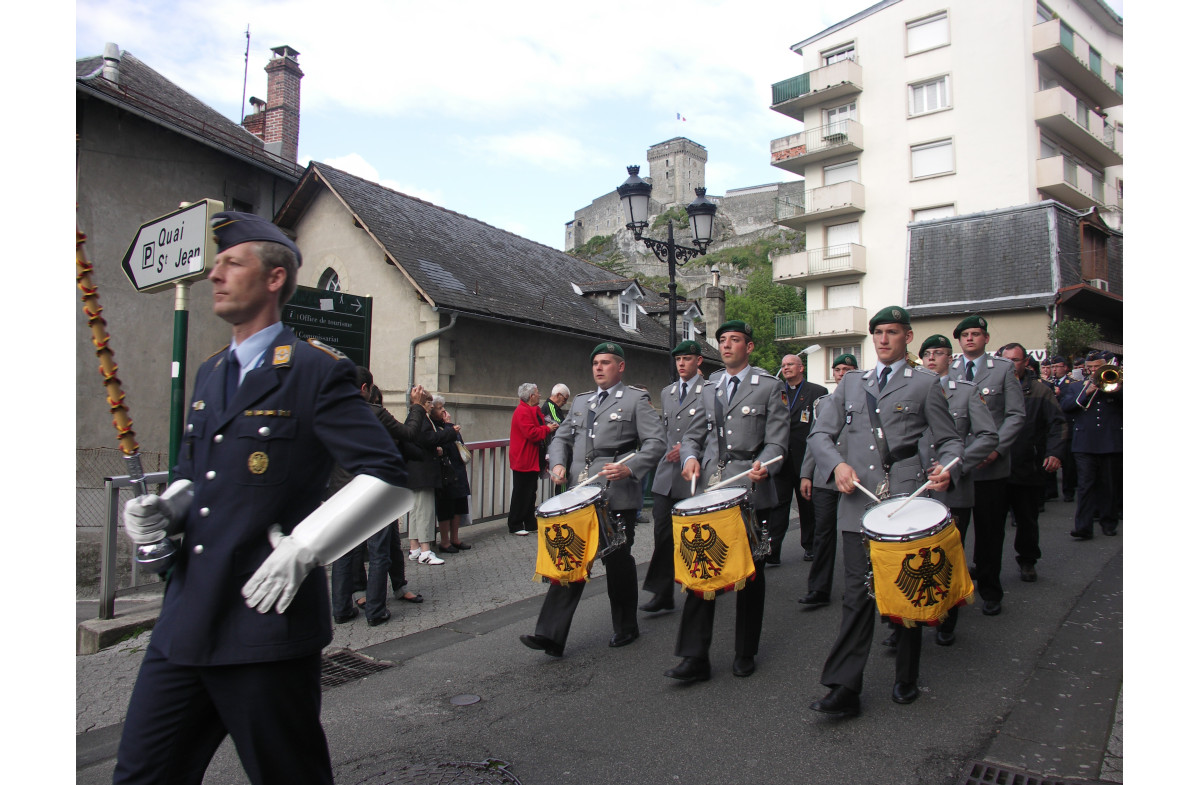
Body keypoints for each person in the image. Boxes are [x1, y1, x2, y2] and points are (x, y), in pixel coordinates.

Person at [115, 212, 410, 784]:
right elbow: (195, 476)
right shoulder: (210, 373)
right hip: (186, 620)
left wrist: (306, 547)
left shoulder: (314, 371)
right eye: (217, 264)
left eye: (232, 263)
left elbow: (386, 475)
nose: (215, 274)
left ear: (274, 279)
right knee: (140, 776)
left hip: (265, 624)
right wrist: (167, 509)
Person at [807, 307, 962, 716]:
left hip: (905, 501)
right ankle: (844, 687)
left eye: (892, 332)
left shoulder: (925, 383)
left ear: (907, 337)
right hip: (858, 500)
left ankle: (906, 674)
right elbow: (820, 433)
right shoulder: (851, 383)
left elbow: (950, 440)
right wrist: (836, 465)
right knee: (856, 595)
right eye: (877, 332)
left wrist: (946, 468)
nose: (883, 339)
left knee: (906, 592)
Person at [520, 342, 665, 656]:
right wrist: (558, 464)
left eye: (606, 362)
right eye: (595, 363)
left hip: (616, 493)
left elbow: (656, 443)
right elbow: (561, 437)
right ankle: (550, 635)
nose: (599, 368)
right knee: (569, 558)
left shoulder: (635, 399)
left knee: (617, 561)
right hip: (580, 493)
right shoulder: (582, 401)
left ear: (620, 366)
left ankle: (626, 626)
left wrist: (630, 467)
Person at [665, 320, 788, 682]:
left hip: (750, 488)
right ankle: (694, 657)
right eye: (722, 340)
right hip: (712, 489)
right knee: (701, 568)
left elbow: (777, 441)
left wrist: (765, 464)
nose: (727, 345)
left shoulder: (769, 386)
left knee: (749, 574)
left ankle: (745, 651)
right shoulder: (709, 387)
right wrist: (689, 457)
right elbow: (694, 435)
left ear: (749, 347)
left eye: (735, 340)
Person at [907, 334, 997, 647]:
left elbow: (988, 436)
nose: (932, 358)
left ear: (951, 358)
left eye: (939, 353)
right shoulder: (909, 390)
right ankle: (905, 622)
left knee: (946, 557)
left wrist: (954, 466)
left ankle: (946, 618)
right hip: (915, 486)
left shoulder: (967, 392)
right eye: (927, 354)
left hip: (952, 487)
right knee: (910, 555)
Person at [330, 369, 424, 626]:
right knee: (378, 551)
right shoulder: (375, 413)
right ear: (364, 388)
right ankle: (375, 610)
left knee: (344, 551)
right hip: (372, 491)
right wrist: (416, 407)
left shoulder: (333, 414)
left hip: (342, 491)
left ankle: (341, 609)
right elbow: (409, 434)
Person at [949, 315, 1025, 617]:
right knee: (953, 535)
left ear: (986, 339)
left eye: (976, 334)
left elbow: (1015, 415)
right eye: (965, 334)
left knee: (990, 533)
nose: (970, 338)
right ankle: (952, 595)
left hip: (990, 467)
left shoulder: (1003, 370)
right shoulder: (949, 369)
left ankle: (991, 590)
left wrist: (995, 449)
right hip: (958, 468)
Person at [641, 340, 708, 613]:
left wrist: (691, 450)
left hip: (693, 474)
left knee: (694, 535)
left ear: (698, 361)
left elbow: (715, 432)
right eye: (678, 359)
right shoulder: (667, 392)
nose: (681, 364)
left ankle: (700, 585)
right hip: (667, 474)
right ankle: (662, 593)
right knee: (662, 534)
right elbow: (665, 430)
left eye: (687, 359)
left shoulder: (709, 391)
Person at [997, 343, 1066, 582]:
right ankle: (987, 565)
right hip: (995, 466)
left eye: (1015, 360)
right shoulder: (990, 388)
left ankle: (1027, 560)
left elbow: (1058, 424)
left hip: (1028, 465)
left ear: (1026, 362)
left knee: (1027, 519)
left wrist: (1054, 453)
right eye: (1005, 360)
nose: (1009, 365)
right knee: (991, 523)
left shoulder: (1040, 391)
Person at [797, 353, 857, 607]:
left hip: (854, 477)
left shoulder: (865, 400)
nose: (841, 374)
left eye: (847, 370)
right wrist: (806, 474)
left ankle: (857, 588)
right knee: (823, 533)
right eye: (838, 369)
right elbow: (815, 440)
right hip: (825, 477)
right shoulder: (822, 403)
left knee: (856, 535)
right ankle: (818, 589)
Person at [768, 353, 828, 565]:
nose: (786, 368)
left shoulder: (817, 392)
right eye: (783, 365)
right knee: (778, 506)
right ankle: (772, 550)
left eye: (790, 364)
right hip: (782, 459)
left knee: (806, 505)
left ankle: (810, 546)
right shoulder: (776, 392)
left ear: (801, 368)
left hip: (805, 458)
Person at [1061, 350, 1123, 538]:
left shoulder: (1116, 384)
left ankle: (1108, 522)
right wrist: (1086, 393)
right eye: (1091, 367)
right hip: (1085, 444)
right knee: (1085, 486)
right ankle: (1083, 526)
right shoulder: (1076, 386)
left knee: (1108, 485)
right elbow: (1066, 407)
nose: (1094, 370)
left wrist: (1116, 389)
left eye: (1098, 367)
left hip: (1109, 443)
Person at [405, 390, 458, 564]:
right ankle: (425, 550)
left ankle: (414, 547)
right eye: (428, 403)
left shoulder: (413, 417)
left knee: (416, 511)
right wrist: (450, 431)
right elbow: (429, 438)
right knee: (425, 511)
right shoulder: (421, 418)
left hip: (416, 471)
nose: (430, 406)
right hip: (423, 471)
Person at [508, 383, 557, 535]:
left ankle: (529, 522)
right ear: (531, 396)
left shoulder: (532, 410)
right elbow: (531, 433)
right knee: (521, 492)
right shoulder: (522, 411)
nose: (539, 395)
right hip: (524, 458)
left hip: (531, 457)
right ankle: (515, 524)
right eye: (537, 393)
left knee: (530, 491)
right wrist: (547, 429)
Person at [431, 395, 472, 553]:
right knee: (446, 507)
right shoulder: (434, 426)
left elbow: (458, 442)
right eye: (439, 408)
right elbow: (444, 444)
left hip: (457, 469)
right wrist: (449, 427)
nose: (443, 411)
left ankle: (455, 538)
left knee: (458, 505)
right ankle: (445, 541)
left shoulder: (448, 426)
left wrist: (450, 426)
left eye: (443, 407)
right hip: (445, 471)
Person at [541, 384, 571, 496]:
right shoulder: (551, 406)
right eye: (565, 399)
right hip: (556, 448)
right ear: (558, 395)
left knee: (562, 480)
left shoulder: (553, 407)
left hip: (555, 448)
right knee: (562, 480)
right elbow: (560, 425)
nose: (565, 402)